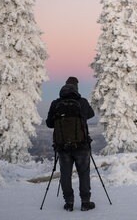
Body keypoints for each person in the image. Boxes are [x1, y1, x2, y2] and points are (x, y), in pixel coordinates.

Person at [46, 76, 95, 212]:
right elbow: (91, 114)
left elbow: (49, 124)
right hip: (82, 146)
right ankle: (85, 202)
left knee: (65, 174)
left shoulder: (56, 104)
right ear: (76, 88)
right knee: (83, 173)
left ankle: (69, 203)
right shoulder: (82, 102)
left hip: (62, 147)